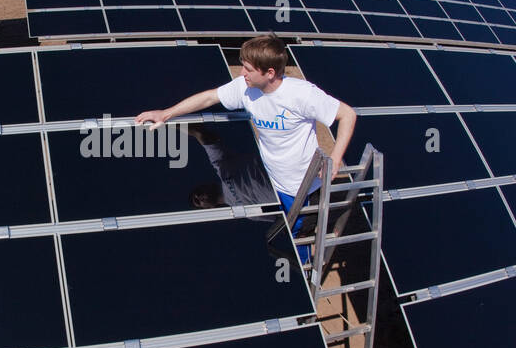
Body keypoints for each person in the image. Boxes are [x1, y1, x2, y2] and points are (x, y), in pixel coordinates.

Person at [136, 33, 357, 261]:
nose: (242, 73)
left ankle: (316, 254)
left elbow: (347, 114)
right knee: (292, 233)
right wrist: (167, 113)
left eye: (248, 69)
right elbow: (209, 98)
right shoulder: (245, 88)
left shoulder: (301, 94)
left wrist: (335, 157)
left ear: (269, 73)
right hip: (275, 184)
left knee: (299, 234)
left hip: (304, 188)